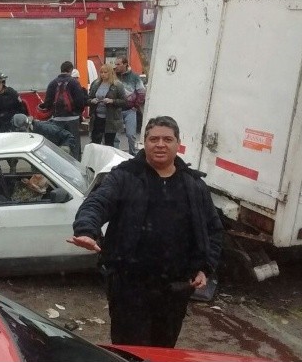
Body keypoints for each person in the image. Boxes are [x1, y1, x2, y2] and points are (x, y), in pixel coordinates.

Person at [66, 116, 224, 348]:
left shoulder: (193, 185)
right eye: (154, 139)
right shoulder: (125, 176)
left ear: (178, 144)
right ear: (144, 143)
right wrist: (87, 230)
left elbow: (213, 229)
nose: (160, 144)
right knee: (130, 351)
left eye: (167, 139)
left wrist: (205, 266)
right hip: (129, 288)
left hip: (175, 289)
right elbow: (97, 203)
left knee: (164, 350)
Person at [39, 61, 87, 160]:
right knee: (74, 143)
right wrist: (77, 113)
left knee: (59, 142)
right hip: (73, 119)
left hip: (58, 119)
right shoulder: (74, 82)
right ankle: (76, 165)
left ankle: (60, 165)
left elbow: (47, 103)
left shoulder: (53, 83)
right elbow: (80, 101)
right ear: (71, 70)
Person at [87, 63, 126, 146]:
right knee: (95, 142)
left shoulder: (117, 85)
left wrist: (112, 101)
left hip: (110, 119)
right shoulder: (96, 83)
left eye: (105, 72)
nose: (103, 75)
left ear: (110, 73)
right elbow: (88, 99)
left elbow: (124, 101)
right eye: (101, 72)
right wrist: (92, 101)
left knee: (109, 143)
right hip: (97, 118)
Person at [11, 113, 80, 160]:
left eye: (23, 132)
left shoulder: (46, 128)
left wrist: (65, 147)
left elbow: (69, 136)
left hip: (60, 157)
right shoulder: (26, 134)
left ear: (28, 126)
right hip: (43, 158)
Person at [113, 56, 146, 155]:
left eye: (118, 64)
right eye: (115, 64)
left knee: (131, 135)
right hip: (117, 109)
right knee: (115, 136)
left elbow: (141, 92)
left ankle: (133, 154)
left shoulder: (134, 77)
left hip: (130, 110)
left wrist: (135, 106)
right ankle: (117, 155)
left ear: (125, 64)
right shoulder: (113, 76)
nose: (116, 66)